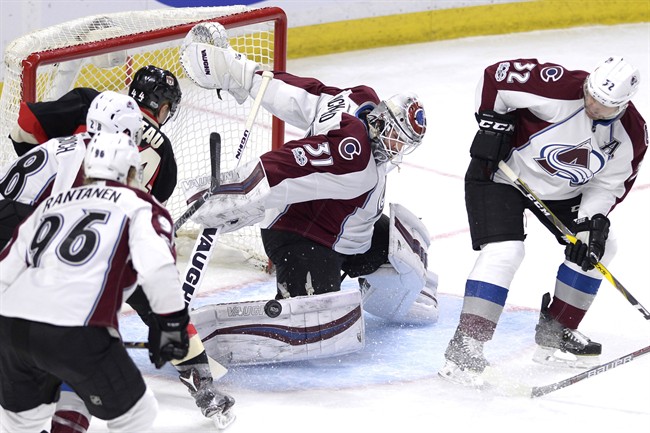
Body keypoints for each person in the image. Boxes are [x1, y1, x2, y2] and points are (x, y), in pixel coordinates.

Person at [178, 22, 439, 359]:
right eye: (395, 136)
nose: (396, 147)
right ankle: (244, 323)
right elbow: (286, 169)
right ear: (382, 120)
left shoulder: (359, 101)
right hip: (302, 238)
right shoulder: (352, 154)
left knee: (402, 249)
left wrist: (238, 71)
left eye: (404, 143)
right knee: (313, 328)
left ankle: (377, 283)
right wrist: (233, 192)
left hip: (347, 230)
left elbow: (302, 94)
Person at [6, 67, 236, 430]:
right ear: (161, 109)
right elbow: (146, 219)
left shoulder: (74, 121)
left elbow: (25, 124)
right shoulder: (162, 155)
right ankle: (201, 381)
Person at [438, 56, 647, 386]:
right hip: (502, 173)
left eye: (605, 106)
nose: (593, 105)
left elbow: (608, 185)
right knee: (505, 252)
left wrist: (592, 220)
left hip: (564, 192)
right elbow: (496, 77)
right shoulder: (557, 86)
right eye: (591, 95)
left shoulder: (631, 136)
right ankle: (467, 344)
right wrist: (493, 124)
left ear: (623, 104)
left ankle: (557, 329)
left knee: (600, 249)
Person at [0, 132, 189, 433]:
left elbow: (6, 269)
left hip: (12, 328)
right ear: (131, 171)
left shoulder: (53, 203)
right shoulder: (140, 205)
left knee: (21, 423)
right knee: (137, 415)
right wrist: (172, 325)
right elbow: (158, 268)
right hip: (76, 326)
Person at [0, 90, 143, 250]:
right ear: (125, 130)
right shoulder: (93, 157)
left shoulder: (71, 141)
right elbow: (65, 215)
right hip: (11, 220)